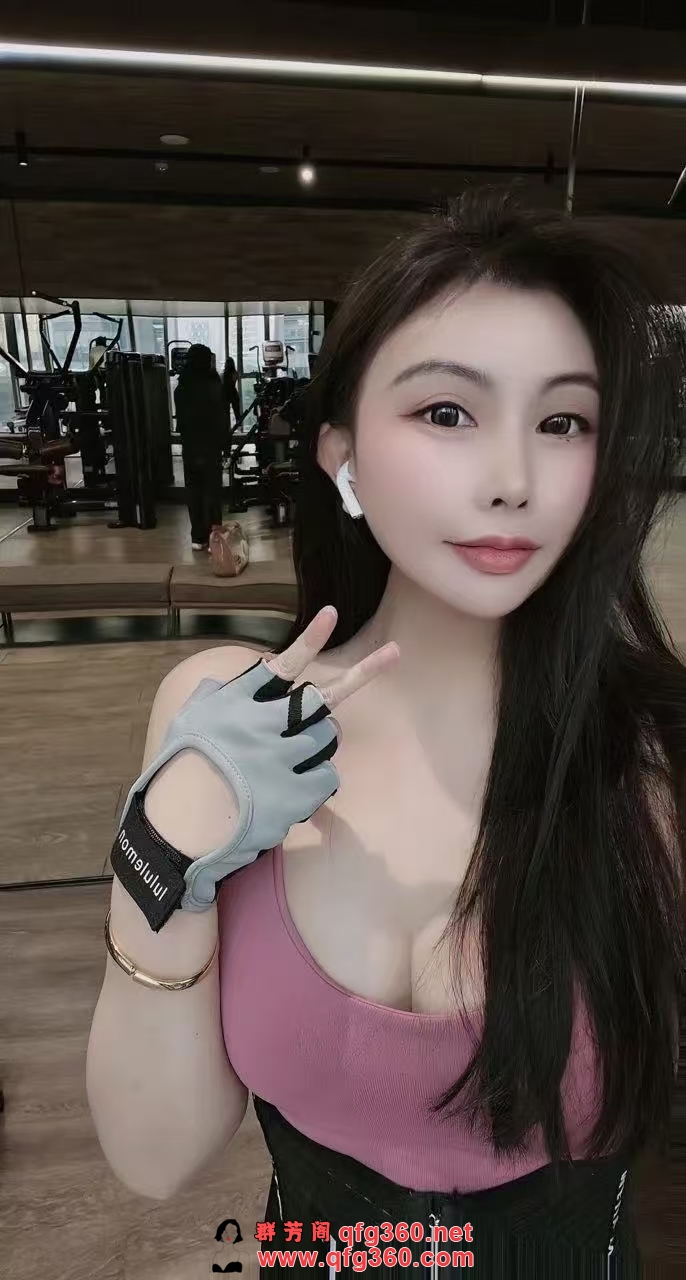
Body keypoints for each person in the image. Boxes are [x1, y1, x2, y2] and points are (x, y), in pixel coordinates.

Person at [87, 189, 685, 1277]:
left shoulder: (650, 753)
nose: (511, 480)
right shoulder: (226, 711)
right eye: (446, 412)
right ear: (341, 453)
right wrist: (161, 852)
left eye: (562, 422)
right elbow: (156, 1159)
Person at [174, 344, 229, 549]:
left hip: (190, 447)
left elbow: (182, 421)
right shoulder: (214, 385)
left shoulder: (182, 386)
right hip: (210, 447)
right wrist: (226, 446)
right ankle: (215, 536)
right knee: (212, 493)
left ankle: (198, 537)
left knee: (194, 493)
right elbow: (222, 418)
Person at [223, 354, 242, 427]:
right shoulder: (235, 373)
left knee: (226, 412)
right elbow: (236, 379)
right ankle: (238, 423)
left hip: (226, 394)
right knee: (236, 411)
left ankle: (227, 426)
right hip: (233, 392)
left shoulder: (224, 374)